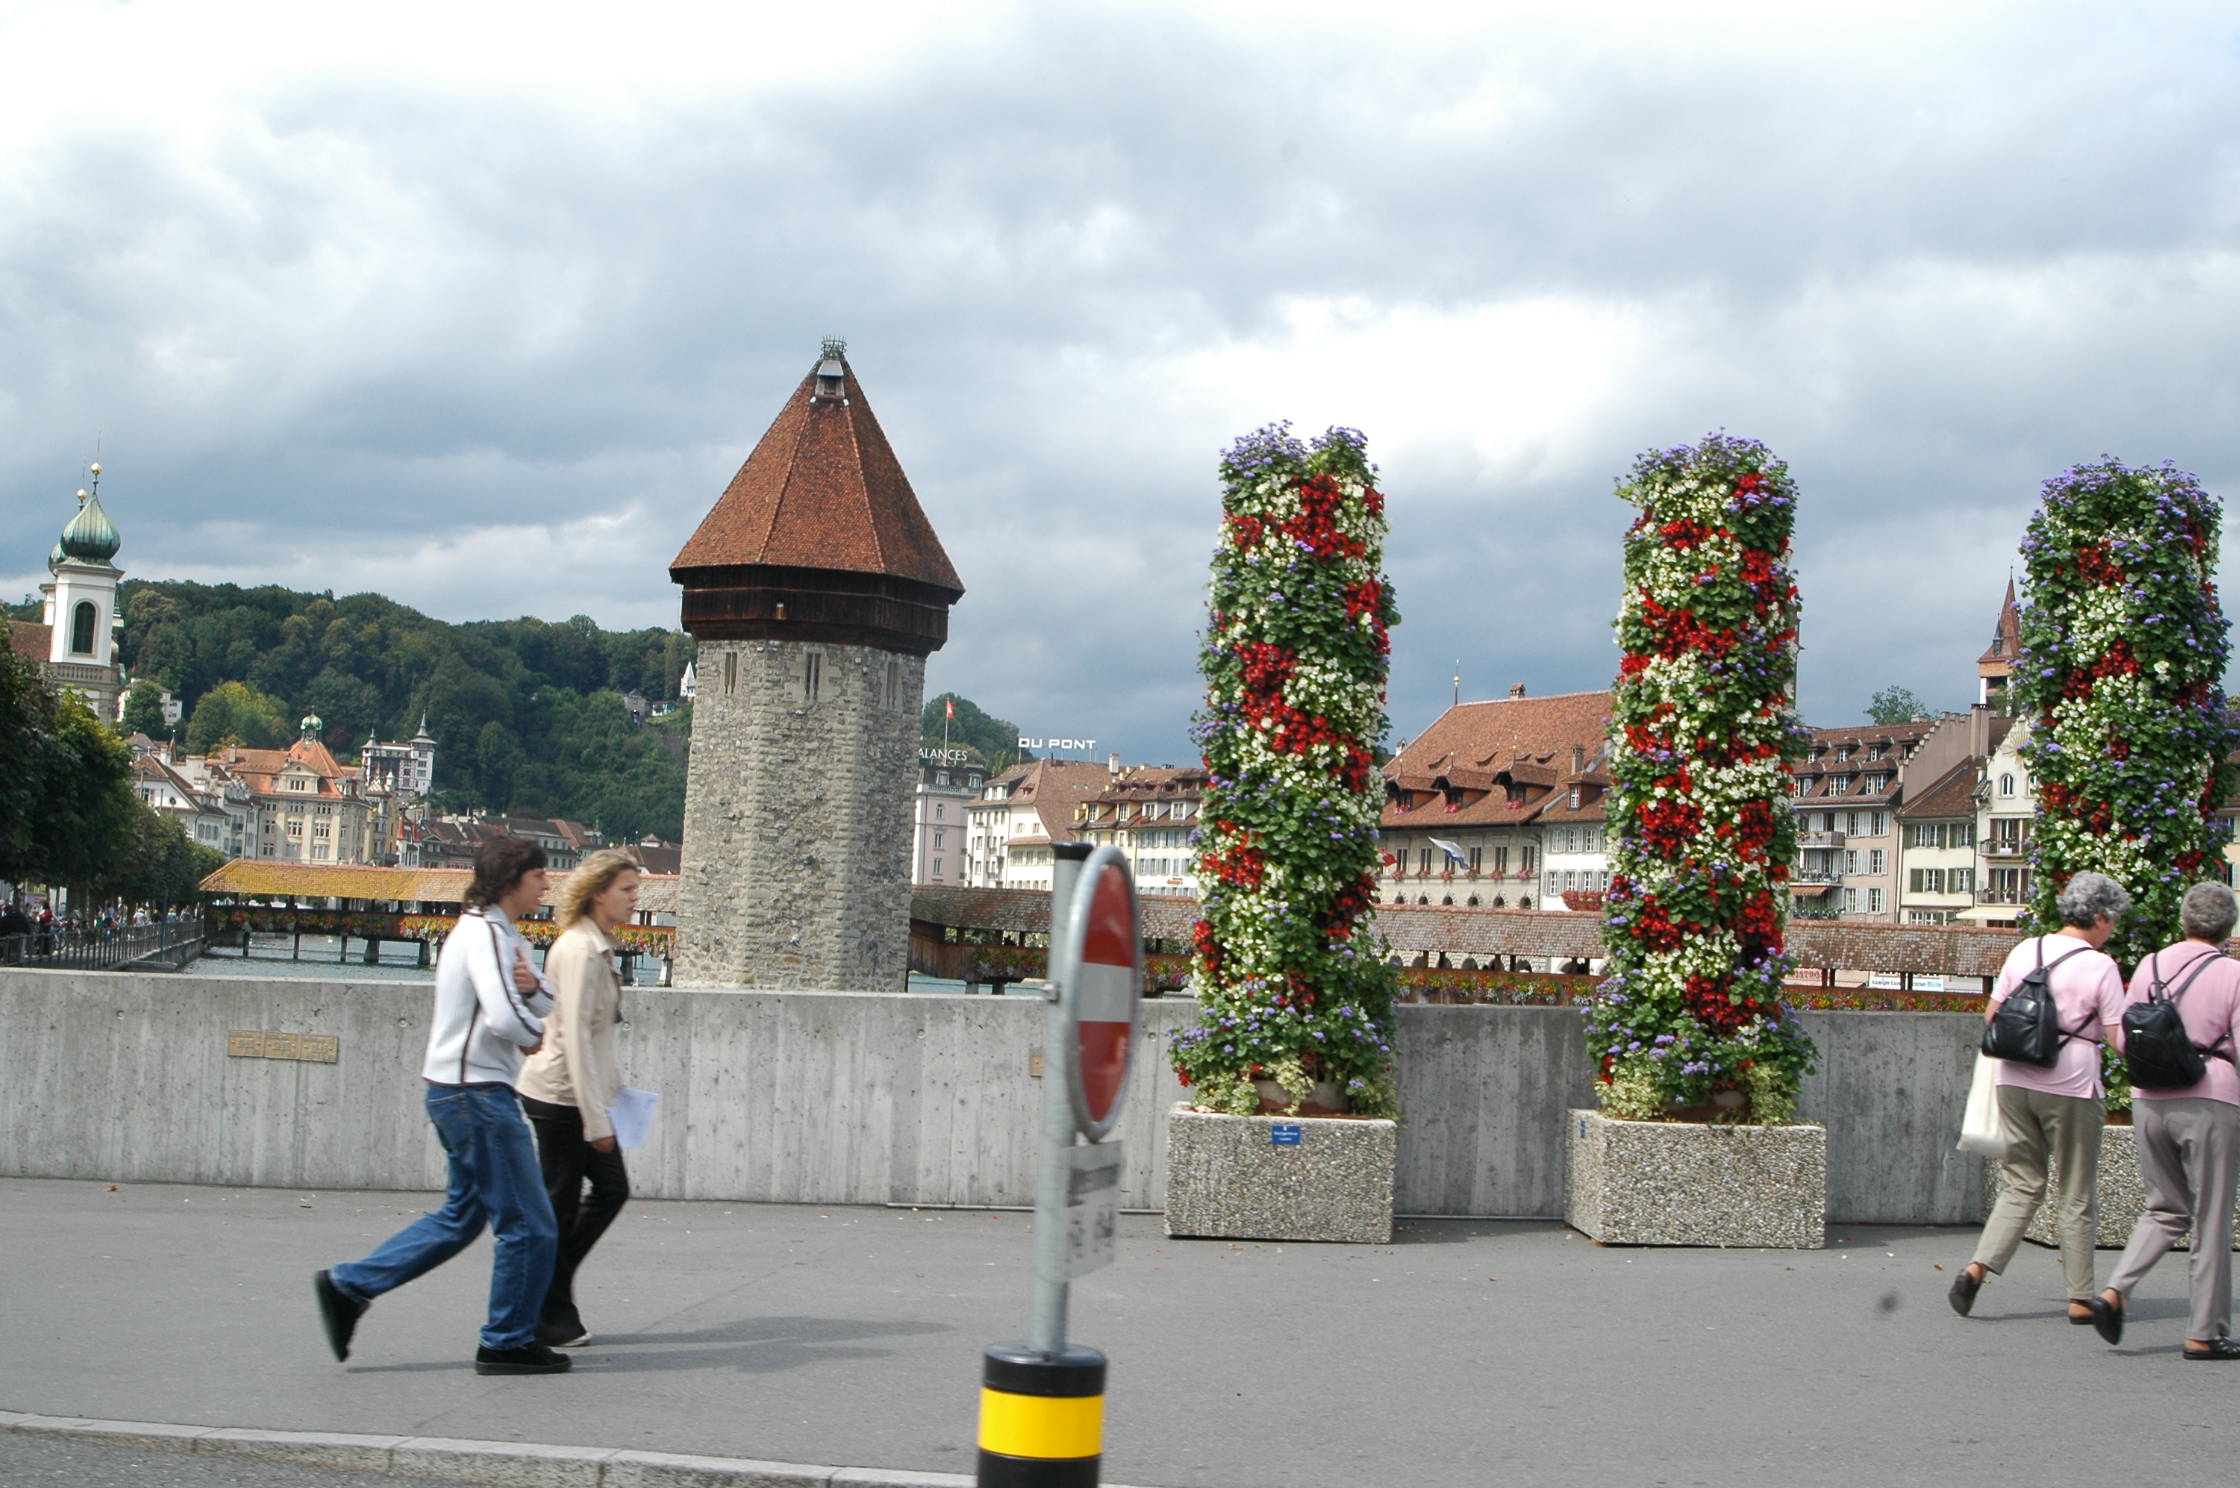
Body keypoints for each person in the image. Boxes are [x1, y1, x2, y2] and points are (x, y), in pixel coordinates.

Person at [313, 837, 570, 1375]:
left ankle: (349, 1286)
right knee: (530, 1224)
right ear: (511, 880)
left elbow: (543, 996)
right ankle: (506, 1340)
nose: (547, 885)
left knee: (461, 1218)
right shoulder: (489, 935)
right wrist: (536, 1038)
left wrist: (532, 989)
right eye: (539, 876)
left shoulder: (497, 931)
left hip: (456, 1091)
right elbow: (505, 1016)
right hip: (478, 1094)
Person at [1949, 870, 2131, 1335]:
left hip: (2013, 1080)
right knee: (2075, 1191)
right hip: (2071, 1086)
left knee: (2022, 1183)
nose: (2112, 929)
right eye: (2113, 920)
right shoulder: (2100, 967)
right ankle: (2080, 1298)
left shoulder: (2026, 950)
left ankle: (1976, 1269)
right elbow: (2118, 1039)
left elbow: (1992, 1015)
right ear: (2101, 917)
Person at [2095, 881, 2240, 1359]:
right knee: (2210, 1218)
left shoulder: (2150, 965)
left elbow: (2123, 1039)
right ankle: (2204, 1332)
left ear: (2184, 919)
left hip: (2148, 1100)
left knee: (2164, 1208)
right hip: (2209, 1099)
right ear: (2229, 927)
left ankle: (2115, 1289)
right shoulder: (2233, 974)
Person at [518, 848, 641, 1348]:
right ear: (597, 894)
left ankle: (547, 1297)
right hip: (559, 1095)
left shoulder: (596, 946)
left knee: (593, 1195)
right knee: (569, 1202)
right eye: (626, 890)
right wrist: (597, 1121)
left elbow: (594, 1037)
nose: (635, 899)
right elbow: (571, 1038)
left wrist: (613, 1092)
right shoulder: (581, 951)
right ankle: (547, 1308)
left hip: (577, 1094)